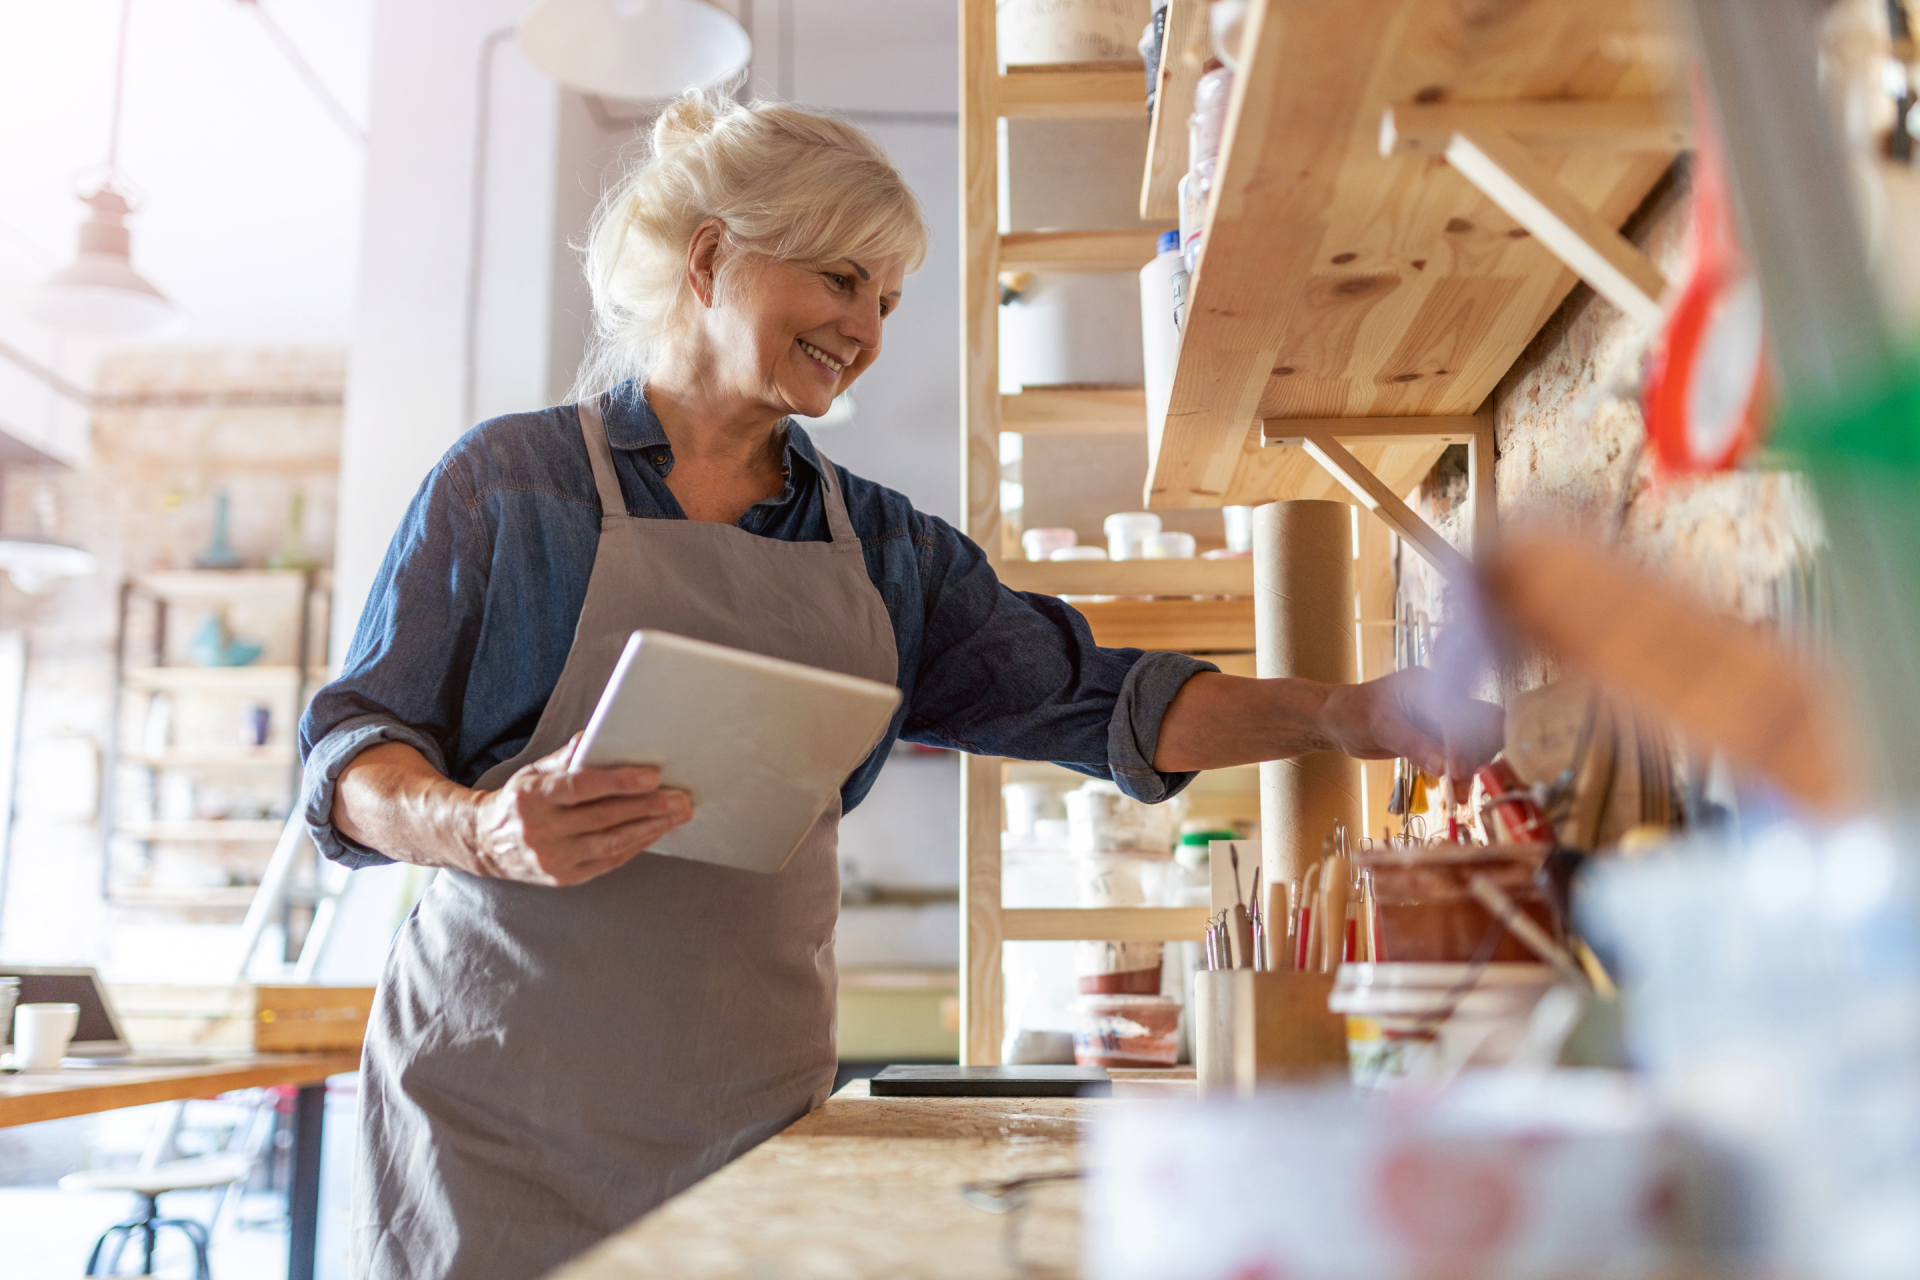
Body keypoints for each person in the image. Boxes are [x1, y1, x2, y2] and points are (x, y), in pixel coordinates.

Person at [300, 92, 1504, 1280]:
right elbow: (351, 755)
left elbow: (1097, 698)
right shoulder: (510, 487)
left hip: (751, 1124)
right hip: (497, 1123)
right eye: (839, 280)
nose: (866, 324)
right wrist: (482, 826)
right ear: (713, 258)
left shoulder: (884, 551)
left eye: (886, 297)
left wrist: (1341, 714)